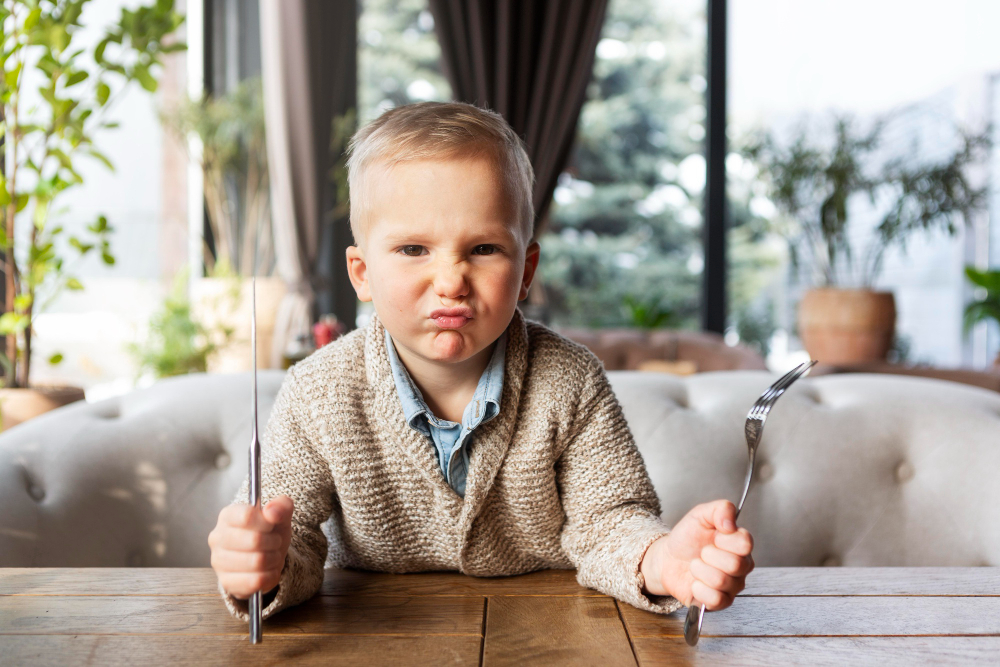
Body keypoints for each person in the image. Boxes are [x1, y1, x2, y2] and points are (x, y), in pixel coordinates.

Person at [208, 102, 754, 621]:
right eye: (413, 249)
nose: (451, 282)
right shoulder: (316, 389)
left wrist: (662, 561)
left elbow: (609, 523)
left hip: (550, 630)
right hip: (373, 632)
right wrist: (260, 566)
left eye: (484, 249)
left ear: (526, 270)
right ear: (363, 274)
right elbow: (291, 537)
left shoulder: (571, 378)